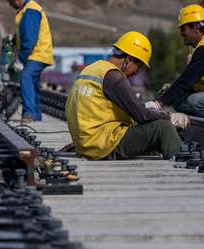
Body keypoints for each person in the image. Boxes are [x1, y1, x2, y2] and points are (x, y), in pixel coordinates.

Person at [65, 32, 187, 160]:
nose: (136, 73)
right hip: (104, 146)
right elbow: (142, 116)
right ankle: (182, 163)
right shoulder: (114, 76)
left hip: (87, 144)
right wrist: (169, 116)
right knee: (163, 127)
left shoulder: (92, 69)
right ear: (129, 59)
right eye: (138, 67)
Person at [0, 0, 54, 124]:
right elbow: (25, 34)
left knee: (27, 78)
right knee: (33, 81)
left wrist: (20, 59)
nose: (9, 4)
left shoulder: (30, 10)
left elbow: (30, 38)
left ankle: (29, 114)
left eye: (8, 0)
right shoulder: (27, 9)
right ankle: (36, 115)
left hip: (37, 53)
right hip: (37, 53)